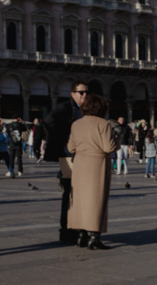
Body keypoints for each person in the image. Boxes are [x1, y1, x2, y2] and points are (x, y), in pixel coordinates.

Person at [67, 93, 118, 250]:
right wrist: (117, 140)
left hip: (81, 164)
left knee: (80, 200)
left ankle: (81, 235)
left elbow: (71, 148)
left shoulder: (76, 124)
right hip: (97, 164)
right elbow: (108, 147)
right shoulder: (104, 124)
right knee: (96, 199)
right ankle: (94, 237)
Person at [43, 79, 88, 243]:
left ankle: (77, 229)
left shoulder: (84, 110)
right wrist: (62, 137)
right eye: (81, 92)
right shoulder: (65, 107)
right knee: (69, 193)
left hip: (81, 156)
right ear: (72, 94)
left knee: (80, 194)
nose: (84, 95)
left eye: (86, 92)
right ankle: (66, 230)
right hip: (67, 157)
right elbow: (48, 120)